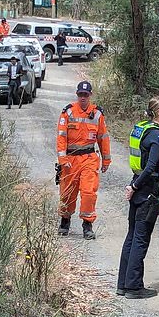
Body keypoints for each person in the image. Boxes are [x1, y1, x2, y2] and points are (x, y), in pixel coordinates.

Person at [117, 96, 159, 299]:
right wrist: (133, 187)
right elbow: (151, 166)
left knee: (132, 236)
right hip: (146, 190)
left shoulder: (145, 128)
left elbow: (149, 156)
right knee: (141, 239)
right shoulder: (157, 136)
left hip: (139, 186)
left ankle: (123, 284)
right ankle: (134, 287)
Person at [56, 81, 110, 239]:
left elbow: (103, 138)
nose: (83, 97)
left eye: (86, 95)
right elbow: (61, 138)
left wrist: (106, 160)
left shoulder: (97, 114)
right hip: (70, 160)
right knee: (67, 193)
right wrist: (62, 159)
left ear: (90, 95)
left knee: (88, 192)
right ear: (77, 95)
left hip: (89, 158)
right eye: (80, 94)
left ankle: (87, 225)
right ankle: (65, 220)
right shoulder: (68, 113)